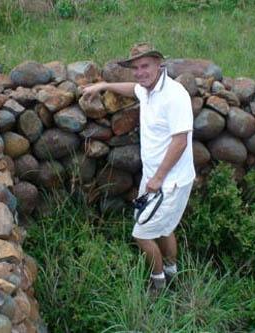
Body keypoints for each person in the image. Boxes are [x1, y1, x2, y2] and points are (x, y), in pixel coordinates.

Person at [83, 42, 195, 291]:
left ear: (158, 63)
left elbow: (180, 141)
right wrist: (104, 85)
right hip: (157, 177)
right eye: (135, 67)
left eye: (145, 65)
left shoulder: (174, 95)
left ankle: (159, 284)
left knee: (142, 235)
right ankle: (172, 272)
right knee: (165, 227)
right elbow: (132, 89)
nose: (140, 72)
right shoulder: (147, 88)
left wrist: (158, 178)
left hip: (169, 180)